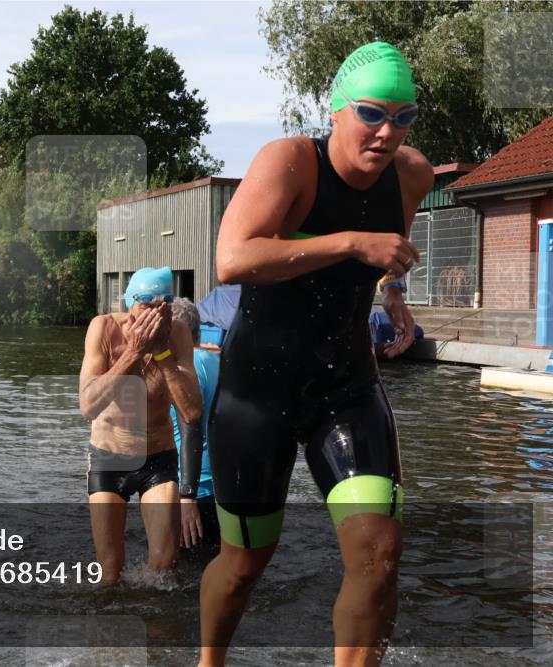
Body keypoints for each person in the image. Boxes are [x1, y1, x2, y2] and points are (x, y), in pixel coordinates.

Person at [199, 42, 433, 667]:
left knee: (379, 558)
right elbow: (233, 259)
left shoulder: (412, 174)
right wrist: (352, 243)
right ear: (335, 112)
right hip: (256, 394)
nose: (386, 132)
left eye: (403, 116)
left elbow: (393, 243)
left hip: (347, 389)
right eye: (371, 113)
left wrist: (394, 294)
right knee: (245, 563)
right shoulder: (291, 162)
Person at [79, 266, 202, 584]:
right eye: (145, 306)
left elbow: (191, 413)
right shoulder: (103, 328)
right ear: (129, 302)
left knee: (164, 564)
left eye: (162, 306)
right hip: (109, 456)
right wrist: (133, 351)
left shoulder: (177, 334)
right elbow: (88, 406)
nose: (153, 315)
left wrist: (161, 351)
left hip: (157, 457)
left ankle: (158, 629)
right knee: (110, 570)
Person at [168, 298, 220, 557]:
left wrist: (186, 497)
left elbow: (191, 427)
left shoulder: (188, 369)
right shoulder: (216, 360)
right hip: (221, 486)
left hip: (193, 490)